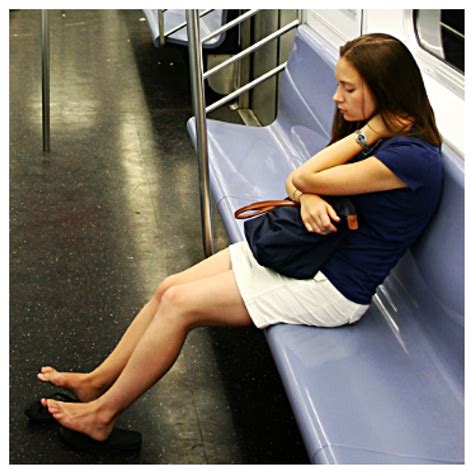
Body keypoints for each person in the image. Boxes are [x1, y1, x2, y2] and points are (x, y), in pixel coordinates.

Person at [32, 32, 443, 449]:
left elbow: (302, 177)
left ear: (387, 90)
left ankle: (102, 416)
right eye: (338, 84)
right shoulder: (380, 139)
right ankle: (94, 383)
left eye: (349, 88)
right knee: (167, 288)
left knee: (180, 306)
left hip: (333, 287)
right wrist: (312, 195)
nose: (337, 97)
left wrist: (359, 142)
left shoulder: (408, 156)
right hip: (309, 256)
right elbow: (300, 183)